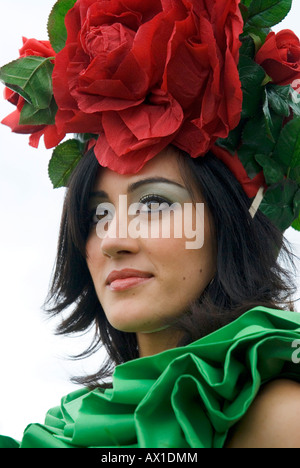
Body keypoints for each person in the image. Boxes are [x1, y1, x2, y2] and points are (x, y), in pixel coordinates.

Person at [1, 0, 300, 449]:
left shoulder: (280, 419)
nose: (113, 241)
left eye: (155, 204)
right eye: (96, 214)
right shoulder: (63, 431)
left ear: (231, 225)